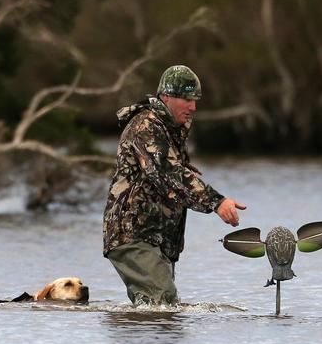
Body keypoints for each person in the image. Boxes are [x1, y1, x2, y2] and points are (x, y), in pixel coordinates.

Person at [103, 65, 246, 306]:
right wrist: (216, 202)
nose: (193, 107)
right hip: (132, 234)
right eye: (186, 99)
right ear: (166, 97)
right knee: (163, 302)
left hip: (158, 239)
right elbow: (168, 173)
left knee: (162, 312)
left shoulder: (173, 130)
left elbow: (173, 178)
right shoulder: (145, 126)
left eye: (195, 100)